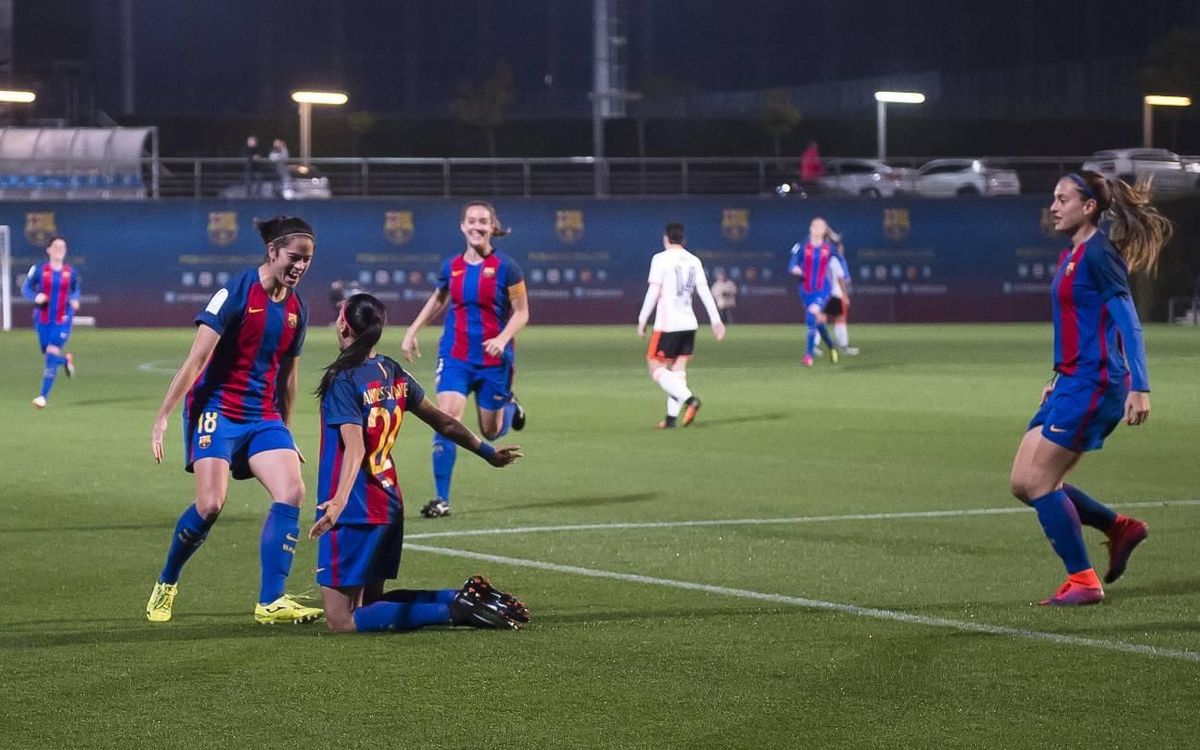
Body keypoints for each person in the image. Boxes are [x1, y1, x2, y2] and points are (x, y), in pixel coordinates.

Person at [309, 292, 529, 633]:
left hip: (355, 508)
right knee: (371, 606)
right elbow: (444, 421)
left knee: (341, 620)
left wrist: (337, 502)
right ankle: (463, 597)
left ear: (342, 325)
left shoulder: (344, 379)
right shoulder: (391, 371)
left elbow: (355, 449)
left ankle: (456, 610)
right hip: (389, 503)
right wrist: (489, 452)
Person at [146, 216, 323, 625]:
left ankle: (271, 602)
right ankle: (167, 582)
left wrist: (286, 430)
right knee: (210, 504)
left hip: (263, 416)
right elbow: (196, 361)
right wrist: (163, 416)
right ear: (273, 251)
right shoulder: (235, 293)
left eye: (307, 260)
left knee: (292, 490)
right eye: (294, 258)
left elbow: (288, 379)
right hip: (218, 411)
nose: (299, 266)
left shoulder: (298, 309)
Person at [1009, 171, 1170, 606]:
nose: (1054, 206)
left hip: (1097, 384)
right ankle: (1120, 528)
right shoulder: (1074, 253)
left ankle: (1083, 581)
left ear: (1089, 206)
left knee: (1042, 482)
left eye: (1063, 199)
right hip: (1071, 380)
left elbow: (1128, 323)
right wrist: (1059, 375)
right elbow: (1085, 324)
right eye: (1053, 199)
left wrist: (1141, 386)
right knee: (1023, 483)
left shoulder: (1099, 254)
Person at [400, 201, 529, 519]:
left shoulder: (507, 267)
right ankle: (441, 499)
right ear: (462, 226)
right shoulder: (452, 266)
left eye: (483, 221)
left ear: (492, 226)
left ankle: (510, 408)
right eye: (471, 221)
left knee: (490, 431)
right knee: (447, 419)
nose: (476, 226)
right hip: (455, 356)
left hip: (493, 360)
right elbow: (439, 298)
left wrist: (501, 339)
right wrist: (412, 330)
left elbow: (522, 312)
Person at [637, 222, 726, 429]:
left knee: (655, 367)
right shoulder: (694, 260)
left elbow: (653, 291)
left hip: (668, 325)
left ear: (666, 238)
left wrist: (642, 319)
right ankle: (670, 420)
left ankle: (690, 400)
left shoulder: (660, 259)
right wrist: (716, 321)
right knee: (677, 370)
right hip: (689, 323)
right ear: (683, 240)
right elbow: (704, 291)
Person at [21, 236, 79, 409]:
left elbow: (76, 289)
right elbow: (26, 288)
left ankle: (42, 397)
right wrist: (35, 296)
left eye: (63, 246)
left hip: (63, 320)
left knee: (51, 354)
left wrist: (75, 299)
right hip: (43, 319)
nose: (60, 249)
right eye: (56, 246)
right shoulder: (39, 270)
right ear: (48, 249)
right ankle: (66, 361)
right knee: (50, 355)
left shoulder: (71, 272)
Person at [788, 217, 841, 367]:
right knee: (815, 321)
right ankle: (831, 346)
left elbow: (840, 259)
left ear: (824, 230)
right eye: (814, 225)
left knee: (811, 315)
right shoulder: (800, 246)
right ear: (810, 228)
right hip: (805, 289)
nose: (817, 228)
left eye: (820, 226)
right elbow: (791, 264)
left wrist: (846, 274)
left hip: (823, 288)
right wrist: (796, 269)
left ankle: (808, 356)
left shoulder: (828, 248)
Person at [821, 227, 859, 356]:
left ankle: (813, 347)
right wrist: (846, 295)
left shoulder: (827, 258)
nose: (841, 247)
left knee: (821, 319)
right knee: (839, 319)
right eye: (838, 245)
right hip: (834, 293)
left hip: (821, 293)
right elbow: (841, 279)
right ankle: (843, 346)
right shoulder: (834, 259)